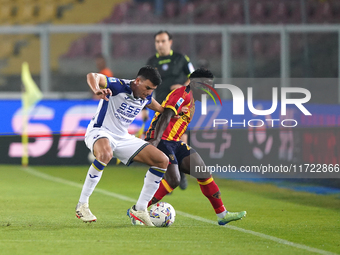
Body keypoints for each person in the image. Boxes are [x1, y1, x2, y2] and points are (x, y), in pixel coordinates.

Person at [130, 68, 246, 226]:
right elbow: (166, 116)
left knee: (203, 173)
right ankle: (138, 210)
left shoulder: (192, 102)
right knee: (174, 179)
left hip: (175, 142)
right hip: (162, 138)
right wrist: (155, 142)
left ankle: (222, 214)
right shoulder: (182, 94)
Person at [76, 66, 169, 226]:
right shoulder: (118, 86)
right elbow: (92, 75)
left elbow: (159, 108)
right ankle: (82, 205)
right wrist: (97, 89)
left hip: (123, 138)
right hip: (99, 131)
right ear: (137, 81)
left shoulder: (146, 96)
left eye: (152, 89)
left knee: (162, 161)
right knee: (105, 154)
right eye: (147, 87)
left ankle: (140, 209)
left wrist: (173, 110)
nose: (149, 92)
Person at [145, 30, 195, 190]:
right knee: (163, 142)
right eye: (157, 42)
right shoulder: (151, 61)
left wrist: (183, 87)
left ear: (170, 42)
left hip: (180, 105)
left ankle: (181, 173)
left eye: (163, 41)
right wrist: (144, 107)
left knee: (180, 138)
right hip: (161, 107)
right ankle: (169, 177)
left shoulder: (180, 59)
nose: (160, 44)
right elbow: (146, 85)